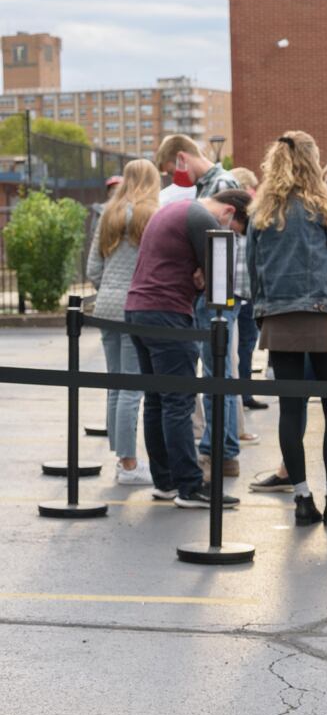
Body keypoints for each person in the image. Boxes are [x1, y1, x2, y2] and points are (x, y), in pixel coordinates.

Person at [247, 132, 327, 527]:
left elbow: (251, 267)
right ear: (313, 159)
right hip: (322, 312)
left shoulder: (262, 208)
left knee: (290, 411)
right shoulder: (325, 204)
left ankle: (302, 499)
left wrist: (264, 311)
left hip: (277, 317)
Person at [124, 187, 251, 509]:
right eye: (233, 232)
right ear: (229, 214)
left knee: (156, 400)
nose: (228, 235)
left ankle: (166, 481)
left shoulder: (178, 209)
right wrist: (204, 277)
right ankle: (190, 487)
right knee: (178, 401)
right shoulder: (204, 220)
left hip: (139, 308)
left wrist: (201, 273)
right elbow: (217, 282)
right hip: (168, 313)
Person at [87, 158, 161, 486]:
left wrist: (110, 291)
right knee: (133, 386)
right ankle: (129, 464)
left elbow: (92, 269)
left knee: (115, 383)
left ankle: (121, 456)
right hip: (136, 306)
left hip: (105, 307)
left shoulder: (107, 214)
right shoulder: (152, 215)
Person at [229, 167, 268, 412]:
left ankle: (245, 392)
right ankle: (241, 394)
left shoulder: (251, 222)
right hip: (237, 294)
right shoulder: (235, 223)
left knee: (246, 346)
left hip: (247, 294)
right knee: (240, 347)